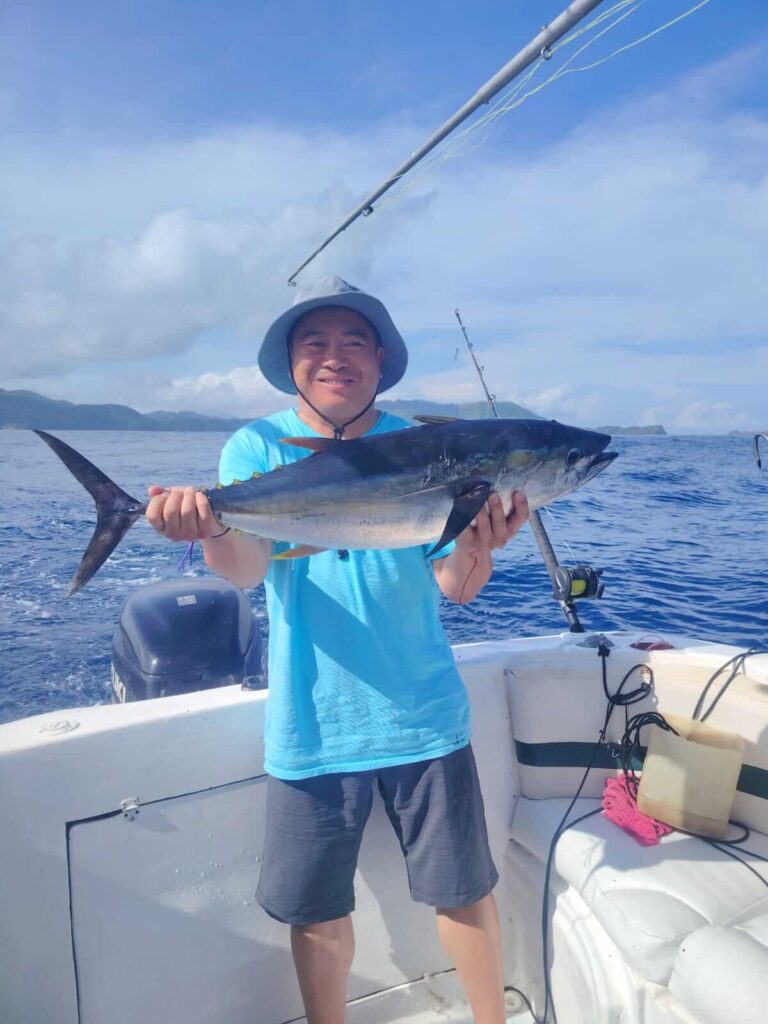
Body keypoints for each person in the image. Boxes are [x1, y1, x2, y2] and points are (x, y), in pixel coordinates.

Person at [146, 276, 530, 1024]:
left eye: (355, 340)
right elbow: (247, 571)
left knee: (465, 891)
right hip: (313, 720)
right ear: (290, 361)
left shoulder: (427, 445)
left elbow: (455, 586)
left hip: (425, 712)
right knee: (317, 914)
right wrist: (212, 525)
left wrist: (482, 543)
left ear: (380, 360)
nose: (335, 355)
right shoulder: (255, 447)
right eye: (314, 342)